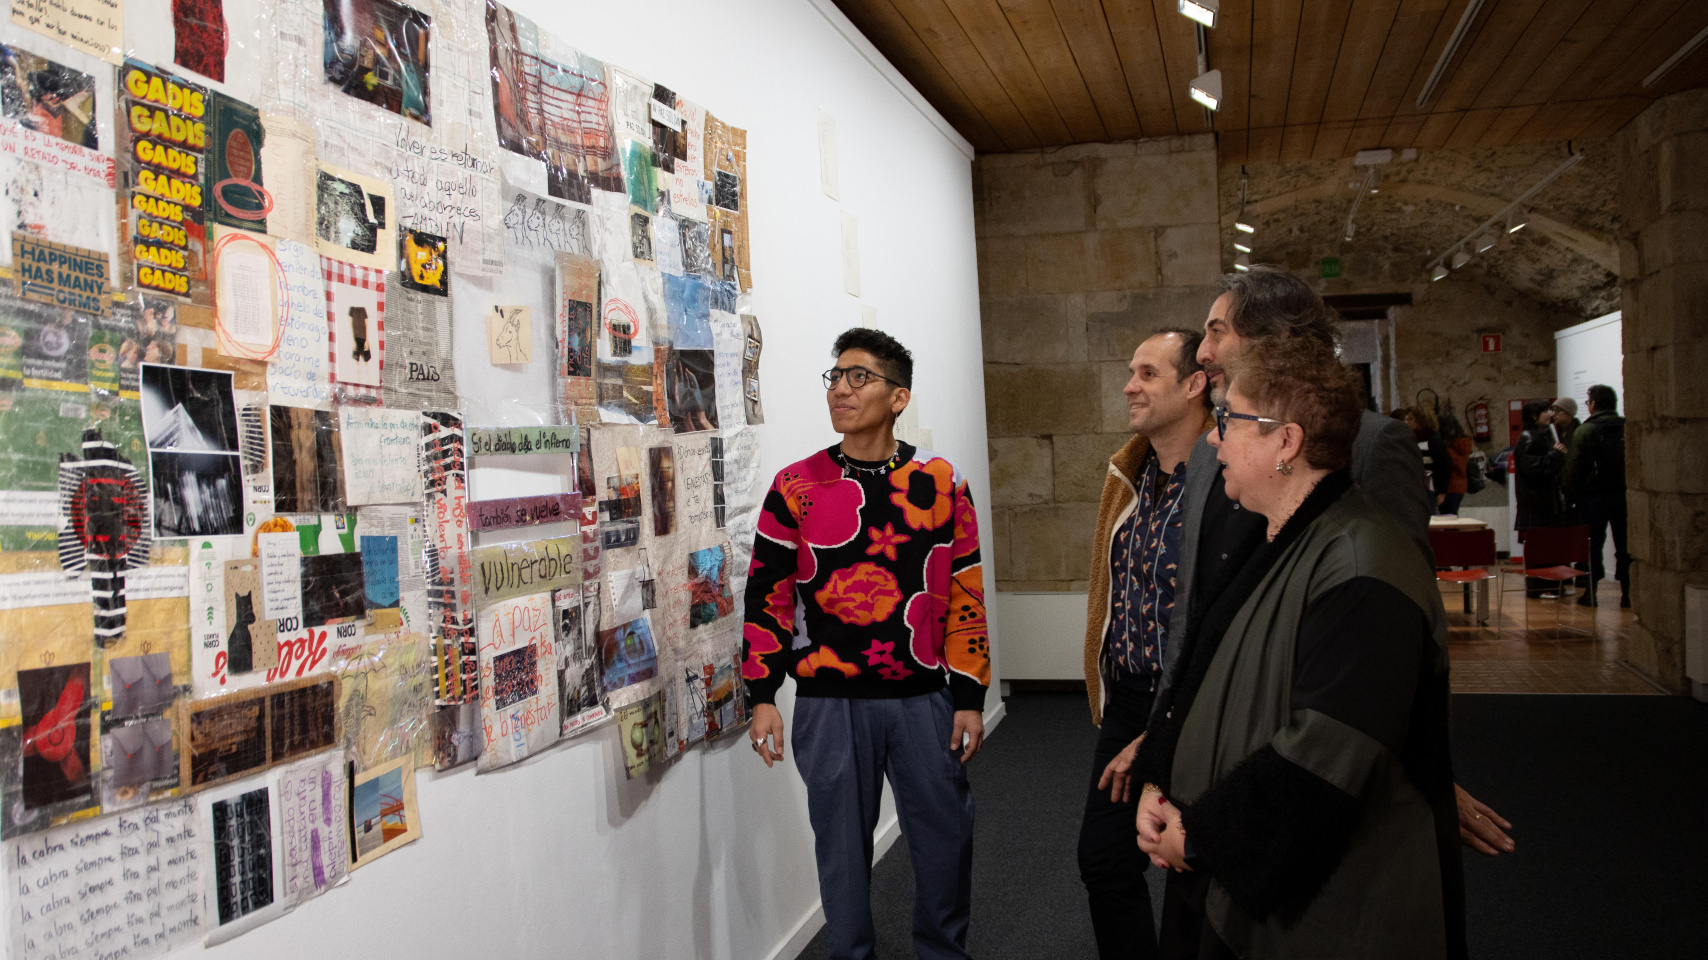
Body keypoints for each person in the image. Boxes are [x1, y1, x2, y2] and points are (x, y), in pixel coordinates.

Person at [1132, 336, 1465, 959]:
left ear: (1285, 442)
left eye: (1228, 419)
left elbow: (1329, 754)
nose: (1213, 438)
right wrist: (1161, 776)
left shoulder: (1364, 563)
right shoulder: (1281, 535)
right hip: (1237, 882)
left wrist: (1201, 837)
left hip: (1320, 913)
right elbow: (1208, 674)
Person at [1161, 268, 1512, 857]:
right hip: (1214, 741)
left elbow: (1399, 626)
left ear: (1272, 338)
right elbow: (1194, 609)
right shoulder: (1207, 451)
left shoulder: (1372, 444)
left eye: (1217, 331)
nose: (1203, 352)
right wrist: (1165, 730)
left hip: (1310, 752)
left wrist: (1425, 767)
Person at [742, 328, 989, 960]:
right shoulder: (796, 485)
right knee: (841, 852)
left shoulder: (942, 483)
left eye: (860, 378)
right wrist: (762, 694)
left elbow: (964, 594)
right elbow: (767, 594)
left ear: (899, 396)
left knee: (943, 840)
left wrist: (969, 695)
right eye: (836, 377)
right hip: (830, 702)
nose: (842, 390)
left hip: (924, 696)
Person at [1077, 329, 1211, 960]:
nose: (1131, 385)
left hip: (1195, 703)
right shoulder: (1130, 477)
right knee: (1104, 860)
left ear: (1195, 384)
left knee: (1198, 864)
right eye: (1131, 371)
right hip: (1130, 697)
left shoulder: (1223, 480)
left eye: (1149, 374)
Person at [1569, 385, 1628, 608]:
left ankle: (1591, 592)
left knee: (1593, 544)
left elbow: (1573, 467)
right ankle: (1628, 593)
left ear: (1593, 404)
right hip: (1623, 493)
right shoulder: (1625, 426)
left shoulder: (1586, 430)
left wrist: (1573, 494)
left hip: (1594, 496)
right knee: (1625, 543)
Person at [1515, 399, 1569, 597]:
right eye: (1546, 411)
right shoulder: (1528, 438)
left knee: (1549, 547)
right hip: (1536, 503)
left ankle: (1551, 585)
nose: (1551, 414)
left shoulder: (1541, 435)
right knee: (1538, 549)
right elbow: (1533, 469)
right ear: (1533, 416)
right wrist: (1555, 456)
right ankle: (1538, 588)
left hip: (1544, 502)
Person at [1404, 406, 1451, 514]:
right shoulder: (1410, 438)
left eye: (1410, 419)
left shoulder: (1432, 439)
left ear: (1421, 420)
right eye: (1406, 419)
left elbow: (1444, 465)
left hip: (1427, 487)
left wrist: (1442, 491)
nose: (1407, 422)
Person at [1438, 411, 1473, 516]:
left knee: (1448, 520)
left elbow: (1446, 467)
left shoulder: (1447, 448)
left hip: (1449, 487)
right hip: (1461, 487)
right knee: (1453, 516)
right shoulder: (1463, 444)